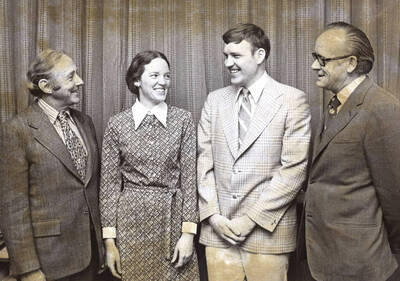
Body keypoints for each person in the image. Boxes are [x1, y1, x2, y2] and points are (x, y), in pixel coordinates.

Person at [197, 23, 311, 281]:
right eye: (226, 56)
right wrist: (213, 217)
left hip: (267, 234)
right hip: (218, 235)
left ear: (260, 56)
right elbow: (203, 163)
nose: (228, 63)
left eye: (236, 56)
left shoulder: (292, 100)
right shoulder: (214, 101)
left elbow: (294, 170)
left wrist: (250, 220)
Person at [304, 21, 400, 281]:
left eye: (322, 59)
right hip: (325, 259)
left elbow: (394, 197)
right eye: (315, 58)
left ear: (350, 63)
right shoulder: (335, 103)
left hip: (361, 264)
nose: (315, 66)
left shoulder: (381, 107)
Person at [0, 49, 105, 281]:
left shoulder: (85, 123)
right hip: (49, 264)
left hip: (91, 257)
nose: (80, 81)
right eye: (70, 76)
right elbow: (13, 208)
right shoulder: (17, 129)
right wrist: (28, 270)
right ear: (47, 86)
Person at [100, 50, 199, 280]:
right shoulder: (117, 124)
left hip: (173, 224)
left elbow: (190, 180)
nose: (163, 82)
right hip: (130, 228)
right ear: (137, 80)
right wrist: (109, 242)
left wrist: (188, 234)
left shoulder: (183, 120)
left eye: (167, 76)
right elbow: (109, 186)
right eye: (154, 75)